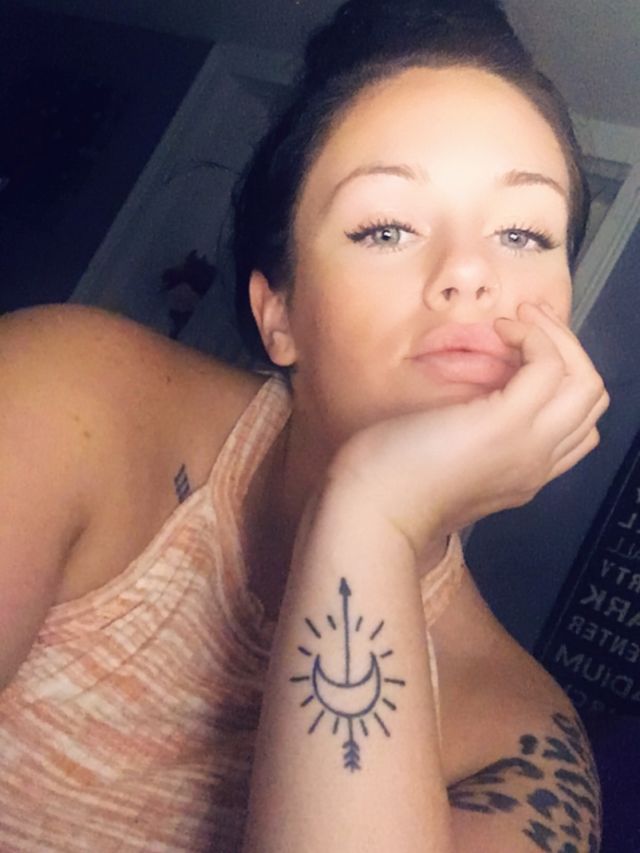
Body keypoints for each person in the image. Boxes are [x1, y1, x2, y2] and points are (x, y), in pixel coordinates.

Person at [0, 0, 608, 850]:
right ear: (278, 314)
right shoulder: (69, 393)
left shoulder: (523, 741)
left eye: (522, 232)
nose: (470, 272)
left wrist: (373, 515)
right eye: (386, 227)